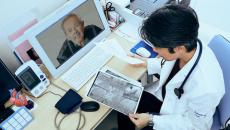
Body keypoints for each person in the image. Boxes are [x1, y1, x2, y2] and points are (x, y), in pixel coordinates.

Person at [117, 5, 225, 130]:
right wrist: (148, 63)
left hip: (180, 121)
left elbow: (196, 126)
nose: (154, 49)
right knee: (122, 98)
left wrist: (151, 120)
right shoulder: (186, 43)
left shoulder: (207, 88)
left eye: (157, 46)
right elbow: (170, 65)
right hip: (166, 99)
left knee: (130, 111)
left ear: (178, 48)